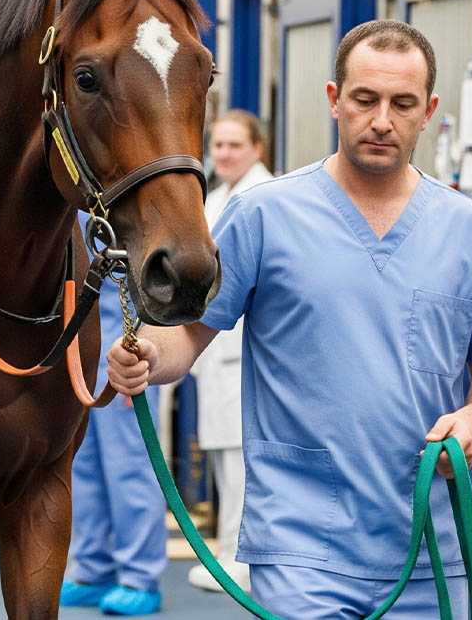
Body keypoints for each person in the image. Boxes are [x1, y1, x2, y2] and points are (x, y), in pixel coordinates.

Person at [108, 20, 472, 620]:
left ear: (429, 111)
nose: (382, 120)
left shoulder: (470, 231)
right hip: (302, 546)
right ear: (336, 100)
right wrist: (150, 357)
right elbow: (189, 331)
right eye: (365, 99)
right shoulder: (264, 215)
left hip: (427, 553)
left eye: (402, 104)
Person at [60, 213, 167, 616]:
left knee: (129, 464)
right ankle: (92, 567)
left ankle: (140, 575)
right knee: (82, 463)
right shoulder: (75, 200)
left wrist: (141, 348)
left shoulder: (127, 196)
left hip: (123, 341)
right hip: (78, 346)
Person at [186, 109, 273, 594]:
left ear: (257, 149)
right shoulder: (213, 197)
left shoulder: (266, 197)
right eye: (217, 145)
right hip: (214, 355)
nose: (223, 154)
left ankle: (241, 561)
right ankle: (228, 554)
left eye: (235, 146)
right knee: (225, 459)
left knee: (246, 461)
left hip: (246, 354)